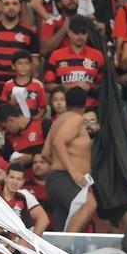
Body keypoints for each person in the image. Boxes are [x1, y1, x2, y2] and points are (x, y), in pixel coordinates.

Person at [43, 87, 94, 232]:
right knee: (89, 204)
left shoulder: (57, 122)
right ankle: (66, 245)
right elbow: (58, 142)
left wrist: (59, 164)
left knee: (63, 224)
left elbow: (45, 153)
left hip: (56, 180)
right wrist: (73, 172)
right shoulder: (76, 119)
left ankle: (61, 246)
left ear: (66, 102)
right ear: (85, 103)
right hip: (66, 178)